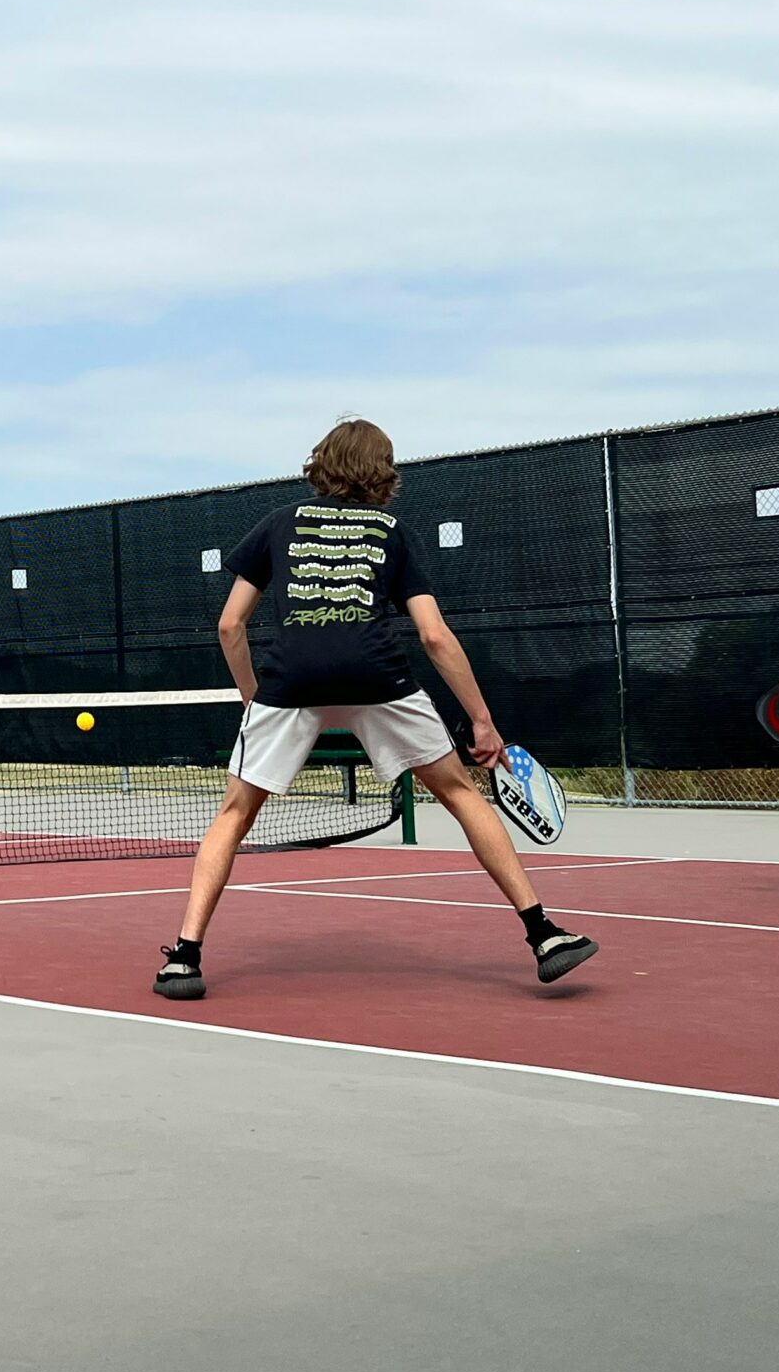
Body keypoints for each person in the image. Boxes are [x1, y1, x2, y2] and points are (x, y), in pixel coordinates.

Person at [153, 419, 597, 1002]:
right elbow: (435, 637)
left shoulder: (279, 523)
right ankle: (543, 934)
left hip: (291, 681)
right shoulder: (392, 530)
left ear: (322, 464)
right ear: (383, 471)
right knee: (461, 793)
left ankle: (184, 959)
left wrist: (252, 695)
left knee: (235, 814)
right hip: (377, 675)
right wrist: (483, 721)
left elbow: (229, 624)